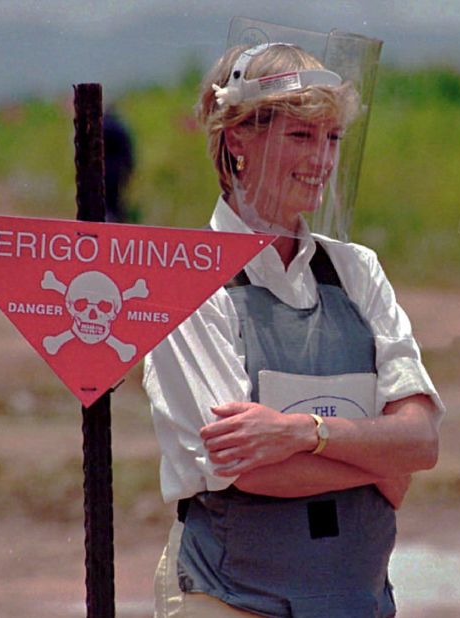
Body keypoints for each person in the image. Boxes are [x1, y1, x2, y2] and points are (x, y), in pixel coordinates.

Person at [143, 28, 443, 618]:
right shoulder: (188, 281)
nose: (323, 160)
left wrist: (302, 433)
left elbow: (421, 442)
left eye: (332, 137)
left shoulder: (357, 270)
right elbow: (244, 469)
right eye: (302, 136)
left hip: (358, 597)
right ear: (237, 142)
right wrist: (375, 461)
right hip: (228, 601)